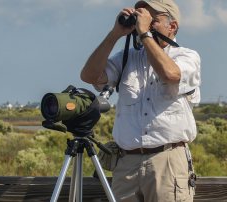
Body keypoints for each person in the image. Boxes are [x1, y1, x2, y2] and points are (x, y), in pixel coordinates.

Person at [80, 0, 201, 201]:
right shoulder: (127, 57)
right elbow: (89, 76)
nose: (143, 21)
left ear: (172, 26)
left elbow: (170, 74)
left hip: (167, 161)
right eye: (141, 15)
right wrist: (115, 34)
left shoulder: (186, 56)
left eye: (152, 18)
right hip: (126, 162)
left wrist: (145, 34)